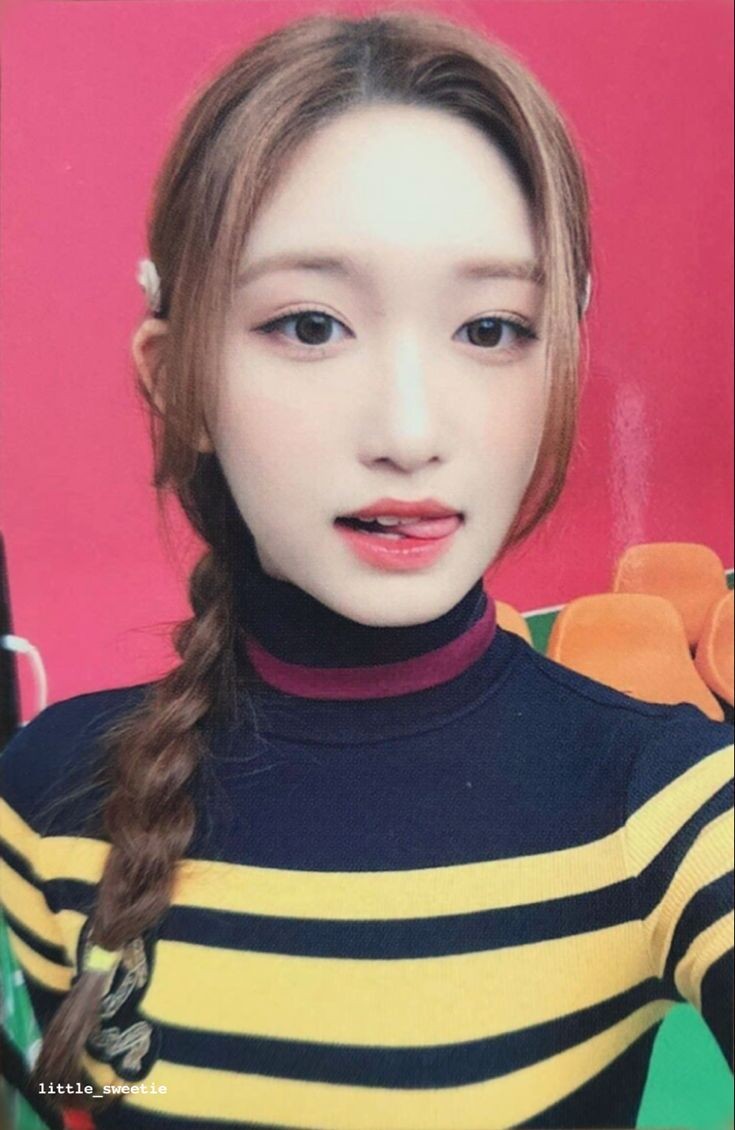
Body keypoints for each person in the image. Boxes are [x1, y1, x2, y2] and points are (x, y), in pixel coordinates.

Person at [0, 8, 732, 1130]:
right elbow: (69, 1095)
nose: (408, 431)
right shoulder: (48, 796)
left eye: (490, 329)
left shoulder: (665, 805)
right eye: (309, 325)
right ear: (174, 380)